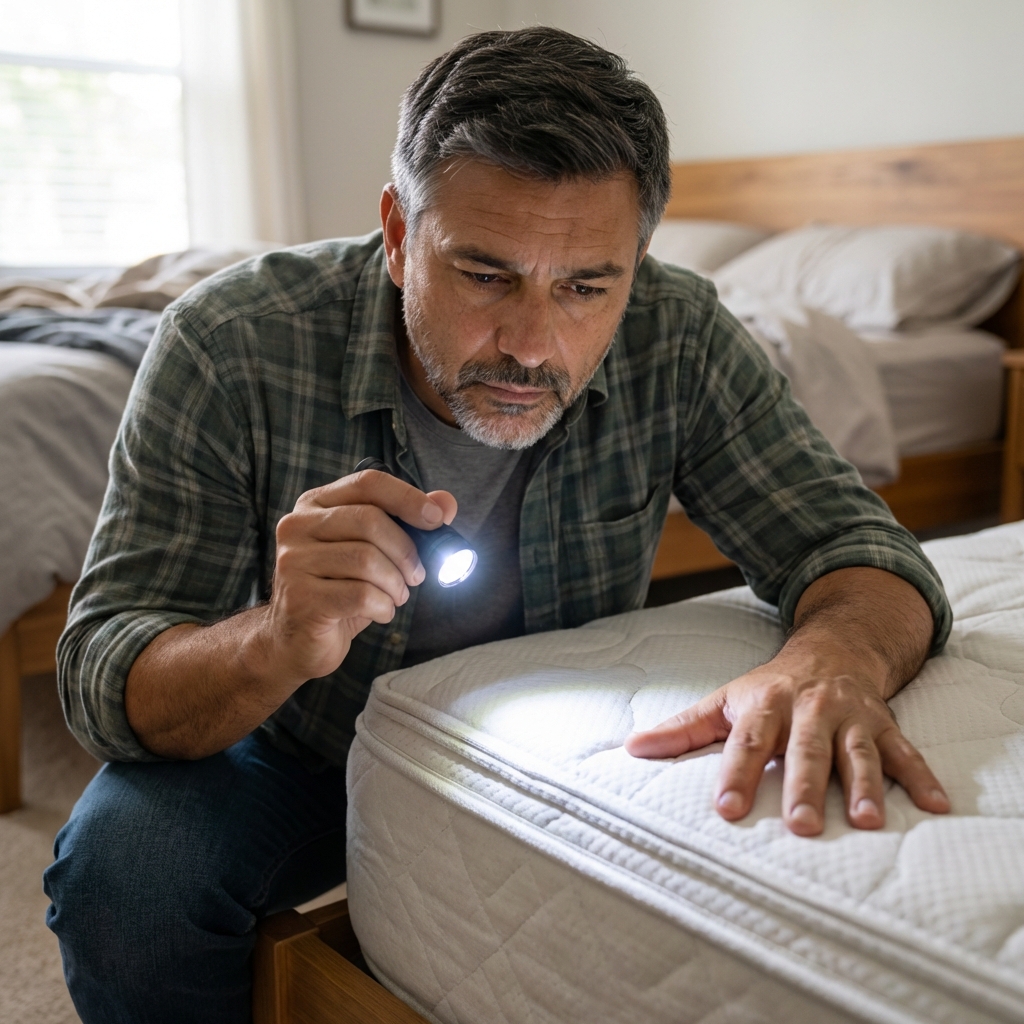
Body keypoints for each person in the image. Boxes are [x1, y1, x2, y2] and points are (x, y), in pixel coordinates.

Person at [44, 26, 951, 1023]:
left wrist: (833, 659)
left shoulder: (679, 334)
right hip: (299, 742)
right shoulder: (229, 344)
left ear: (636, 264)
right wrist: (277, 638)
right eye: (483, 274)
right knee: (122, 877)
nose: (529, 345)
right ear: (396, 233)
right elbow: (102, 675)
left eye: (586, 286)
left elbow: (856, 548)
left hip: (557, 744)